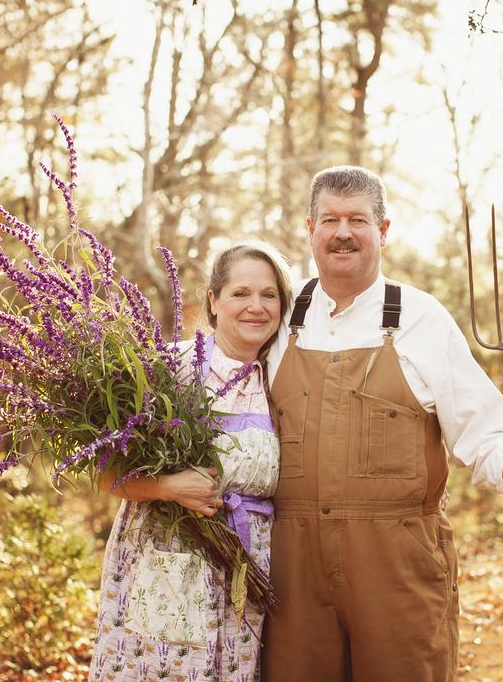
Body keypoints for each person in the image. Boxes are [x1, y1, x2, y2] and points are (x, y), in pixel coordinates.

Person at [262, 166, 503, 682]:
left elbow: (479, 423)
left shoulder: (422, 318)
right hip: (292, 564)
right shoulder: (280, 318)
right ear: (310, 229)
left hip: (396, 561)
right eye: (329, 219)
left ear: (383, 230)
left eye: (358, 219)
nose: (342, 232)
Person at [87, 243, 292, 682]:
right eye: (241, 293)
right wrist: (166, 486)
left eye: (269, 295)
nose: (256, 307)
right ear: (214, 301)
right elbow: (103, 469)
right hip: (165, 563)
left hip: (246, 572)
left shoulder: (283, 379)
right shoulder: (167, 367)